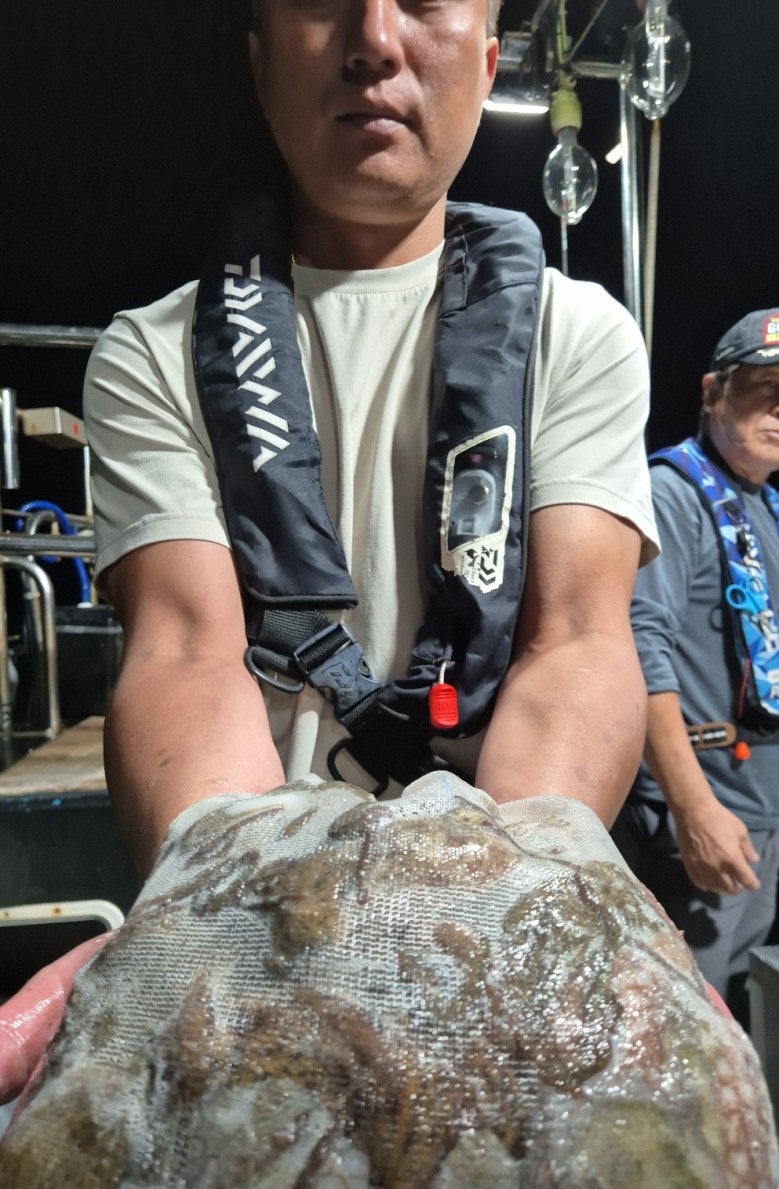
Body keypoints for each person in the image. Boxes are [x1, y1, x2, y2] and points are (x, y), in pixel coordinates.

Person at [0, 0, 658, 1104]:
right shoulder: (150, 354)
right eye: (321, 1)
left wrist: (506, 916)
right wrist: (211, 925)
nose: (374, 41)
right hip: (254, 935)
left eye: (424, 1)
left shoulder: (580, 335)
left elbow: (577, 642)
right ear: (260, 61)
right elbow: (186, 653)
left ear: (487, 55)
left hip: (496, 905)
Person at [611, 308, 779, 1025]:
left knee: (748, 1007)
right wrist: (692, 808)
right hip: (705, 814)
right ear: (712, 391)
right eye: (766, 389)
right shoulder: (671, 492)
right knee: (687, 1021)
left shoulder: (764, 505)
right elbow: (638, 646)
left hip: (762, 805)